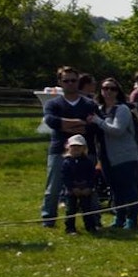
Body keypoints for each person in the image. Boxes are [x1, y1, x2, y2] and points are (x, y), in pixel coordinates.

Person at [39, 66, 98, 227]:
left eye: (73, 80)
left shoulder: (89, 104)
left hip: (86, 152)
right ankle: (48, 218)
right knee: (53, 187)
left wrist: (65, 125)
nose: (70, 83)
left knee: (89, 188)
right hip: (59, 150)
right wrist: (78, 122)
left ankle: (93, 220)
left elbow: (94, 125)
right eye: (66, 81)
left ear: (78, 81)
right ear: (60, 82)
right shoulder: (53, 103)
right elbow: (51, 121)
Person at [93, 78, 138, 230]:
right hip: (105, 156)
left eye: (112, 89)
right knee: (114, 189)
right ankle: (119, 217)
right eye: (105, 88)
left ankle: (132, 219)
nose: (108, 91)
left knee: (128, 188)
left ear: (118, 92)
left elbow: (117, 130)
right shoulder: (99, 109)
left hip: (125, 155)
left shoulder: (122, 109)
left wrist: (97, 121)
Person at [57, 134, 102, 234]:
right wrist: (72, 188)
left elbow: (92, 176)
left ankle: (90, 227)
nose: (76, 149)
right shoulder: (66, 163)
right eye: (73, 146)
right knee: (70, 210)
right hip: (72, 191)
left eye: (79, 147)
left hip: (86, 189)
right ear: (68, 148)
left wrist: (89, 187)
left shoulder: (88, 162)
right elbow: (65, 177)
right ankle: (70, 228)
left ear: (84, 148)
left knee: (87, 209)